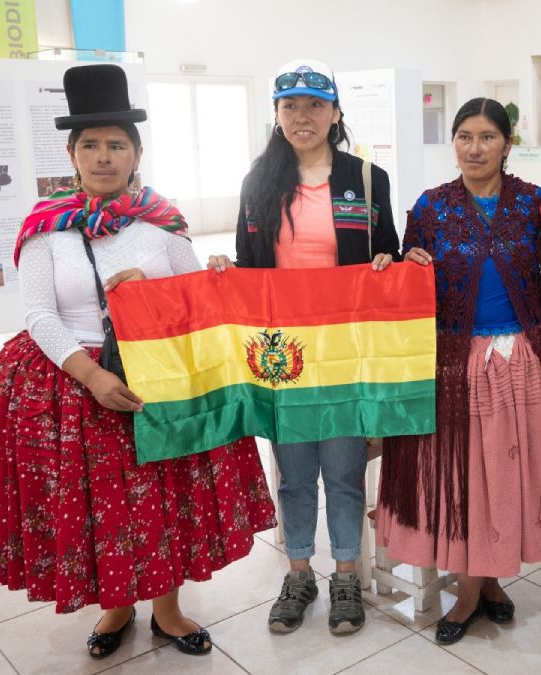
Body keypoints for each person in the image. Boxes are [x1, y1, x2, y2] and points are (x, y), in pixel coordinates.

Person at [0, 64, 276, 660]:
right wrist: (90, 375)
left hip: (154, 377)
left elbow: (195, 298)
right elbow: (38, 313)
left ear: (137, 153)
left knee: (160, 496)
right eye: (90, 145)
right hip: (74, 382)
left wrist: (197, 278)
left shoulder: (160, 223)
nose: (104, 156)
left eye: (117, 144)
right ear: (72, 153)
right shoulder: (46, 227)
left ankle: (167, 610)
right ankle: (115, 607)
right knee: (96, 502)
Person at [376, 97, 541, 646]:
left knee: (508, 471)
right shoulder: (430, 207)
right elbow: (407, 283)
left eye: (487, 137)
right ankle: (471, 588)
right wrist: (405, 264)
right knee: (467, 473)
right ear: (454, 144)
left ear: (507, 144)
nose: (475, 148)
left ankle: (490, 577)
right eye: (464, 136)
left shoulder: (535, 204)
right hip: (456, 362)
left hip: (525, 359)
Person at [207, 59, 399, 636]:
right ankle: (298, 573)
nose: (303, 116)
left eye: (315, 105)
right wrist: (225, 268)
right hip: (281, 352)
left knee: (342, 470)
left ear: (336, 113)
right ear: (276, 115)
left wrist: (389, 263)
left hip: (344, 349)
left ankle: (345, 575)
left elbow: (386, 252)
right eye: (290, 106)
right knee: (292, 475)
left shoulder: (367, 179)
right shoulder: (257, 182)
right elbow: (250, 266)